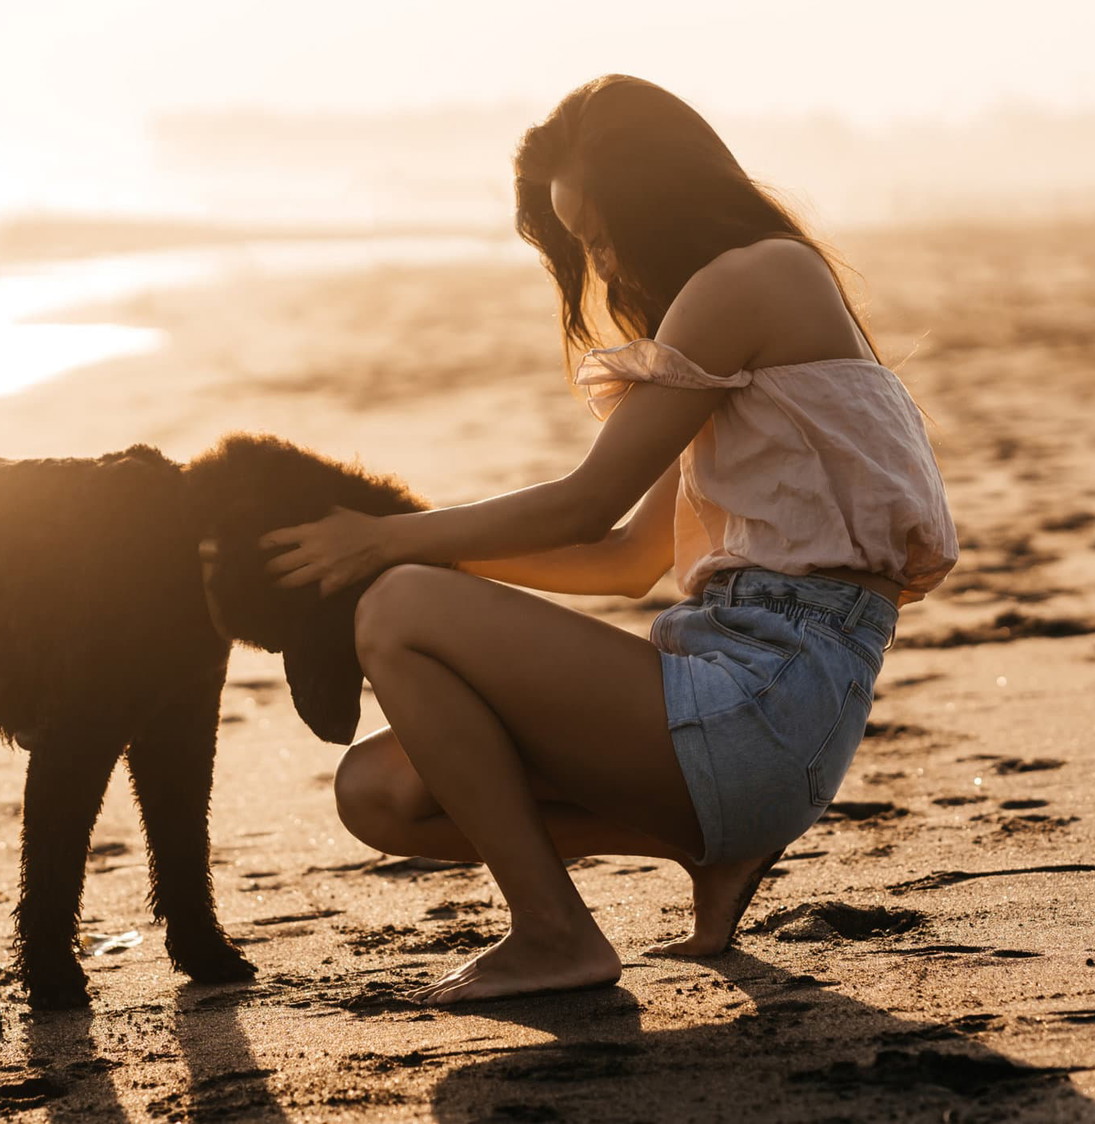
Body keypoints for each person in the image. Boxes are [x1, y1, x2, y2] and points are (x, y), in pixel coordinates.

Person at [257, 74, 959, 1005]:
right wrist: (428, 557)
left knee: (399, 605)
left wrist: (388, 543)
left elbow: (586, 505)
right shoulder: (725, 319)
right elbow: (625, 558)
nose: (602, 260)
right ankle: (706, 849)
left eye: (598, 232)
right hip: (740, 702)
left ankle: (555, 932)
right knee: (379, 791)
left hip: (770, 699)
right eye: (584, 243)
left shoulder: (756, 278)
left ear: (654, 194)